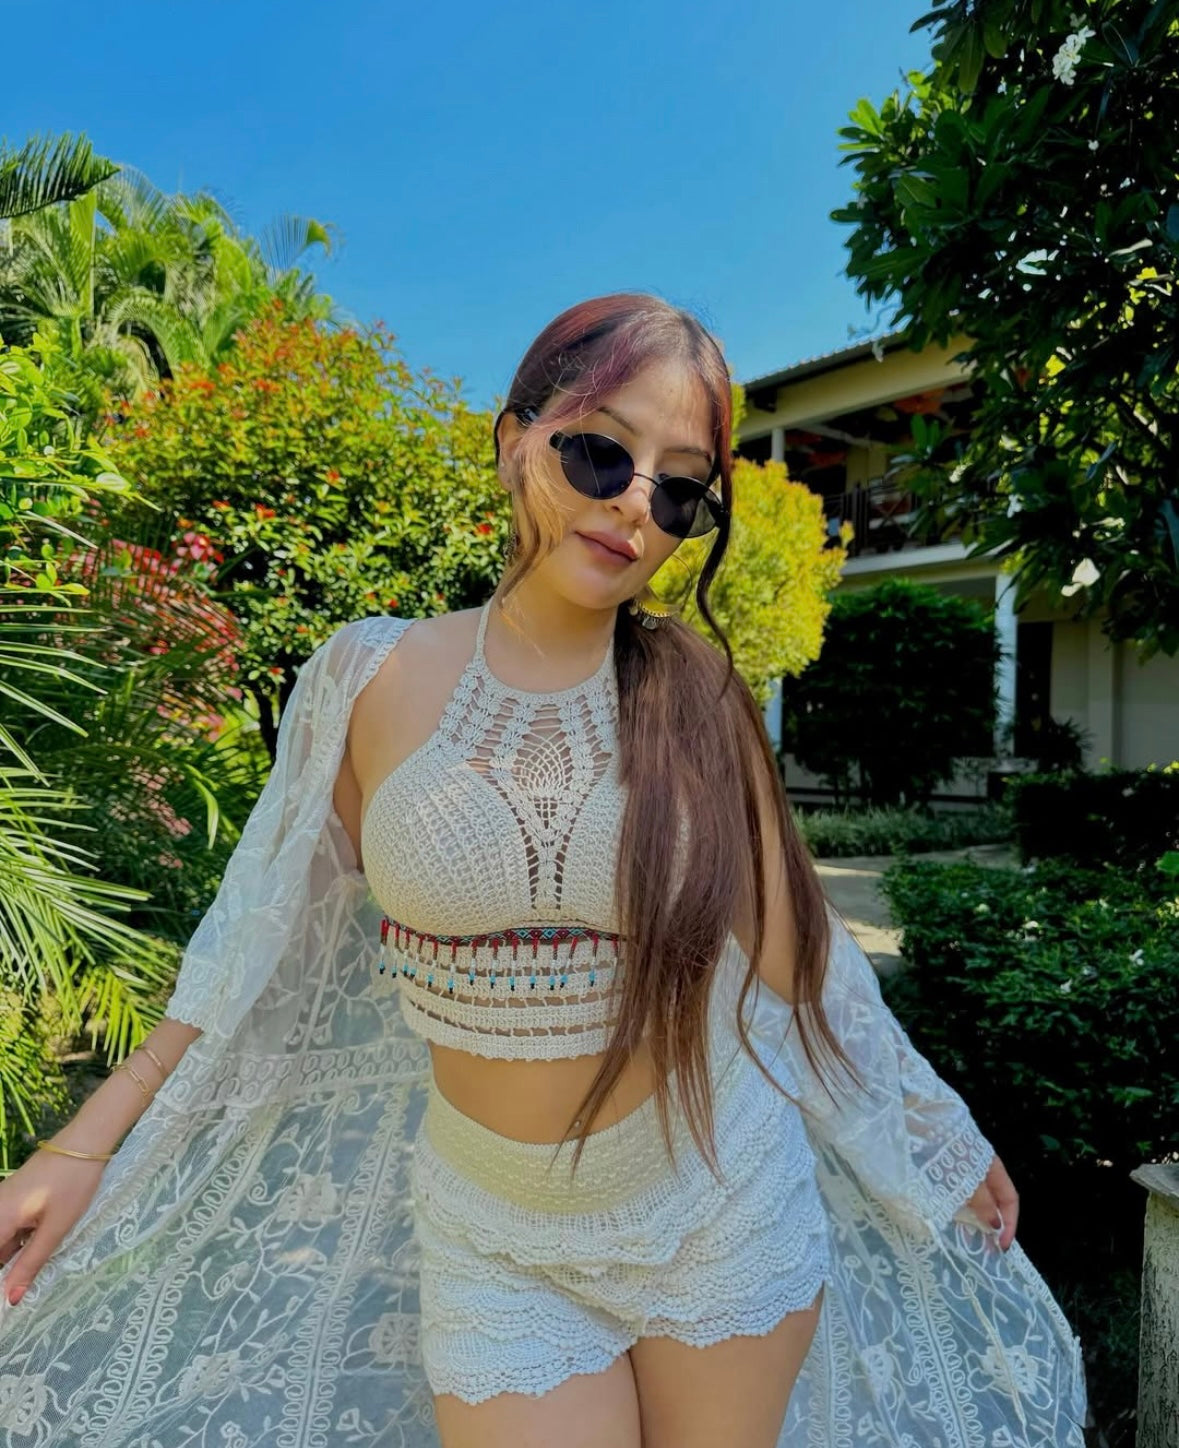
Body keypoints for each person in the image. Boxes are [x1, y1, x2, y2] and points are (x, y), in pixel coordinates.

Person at [0, 292, 1086, 1447]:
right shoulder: (365, 678)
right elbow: (249, 943)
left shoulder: (698, 694)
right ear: (516, 437)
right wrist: (84, 1143)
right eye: (600, 452)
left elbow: (796, 956)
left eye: (680, 488)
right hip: (494, 1234)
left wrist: (930, 1126)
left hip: (718, 1209)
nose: (636, 504)